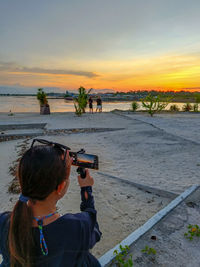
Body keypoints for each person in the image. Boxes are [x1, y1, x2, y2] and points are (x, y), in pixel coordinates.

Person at [0, 139, 101, 267]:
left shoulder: (4, 222)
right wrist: (86, 189)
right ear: (60, 187)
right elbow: (95, 230)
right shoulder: (76, 227)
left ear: (22, 181)